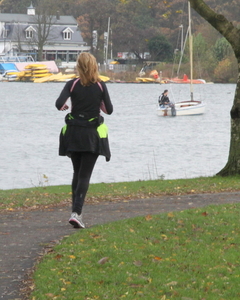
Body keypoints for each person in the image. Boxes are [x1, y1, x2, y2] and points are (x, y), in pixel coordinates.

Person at [55, 52, 113, 229]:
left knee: (77, 172)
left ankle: (75, 212)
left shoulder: (72, 84)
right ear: (94, 66)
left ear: (78, 66)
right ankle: (77, 213)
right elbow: (109, 110)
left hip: (73, 133)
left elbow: (59, 103)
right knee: (85, 175)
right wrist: (98, 104)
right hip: (90, 135)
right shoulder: (100, 86)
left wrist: (65, 106)